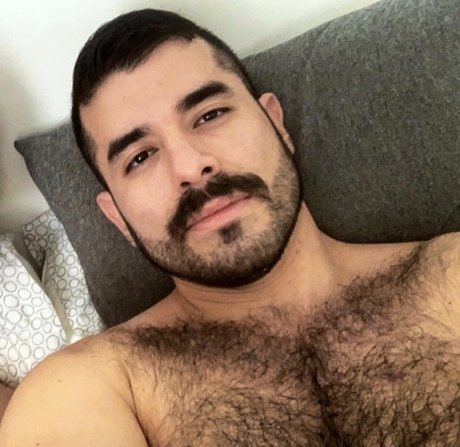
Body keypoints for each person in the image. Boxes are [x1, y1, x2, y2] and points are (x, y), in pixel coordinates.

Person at [1, 9, 459, 446]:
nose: (190, 166)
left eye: (210, 115)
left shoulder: (448, 277)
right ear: (118, 217)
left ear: (276, 124)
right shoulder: (92, 387)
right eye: (140, 157)